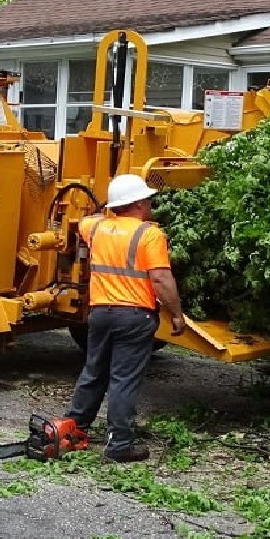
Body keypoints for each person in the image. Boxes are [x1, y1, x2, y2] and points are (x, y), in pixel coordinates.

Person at [64, 173, 186, 463]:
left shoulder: (95, 229)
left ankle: (73, 430)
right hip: (134, 316)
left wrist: (109, 205)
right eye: (147, 199)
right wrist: (176, 314)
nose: (150, 203)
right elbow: (160, 279)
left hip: (100, 314)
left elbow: (84, 219)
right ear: (139, 203)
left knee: (94, 372)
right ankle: (119, 444)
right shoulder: (149, 234)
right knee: (123, 380)